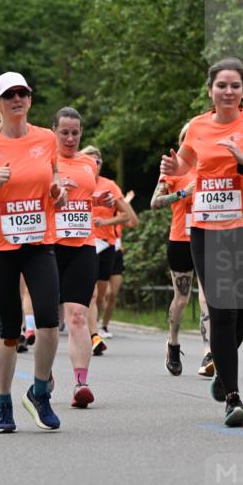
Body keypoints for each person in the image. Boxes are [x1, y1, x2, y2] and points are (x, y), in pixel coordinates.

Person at [160, 57, 243, 426]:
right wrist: (173, 169)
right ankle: (233, 396)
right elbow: (184, 165)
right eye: (222, 86)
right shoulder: (197, 127)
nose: (228, 92)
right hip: (206, 228)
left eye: (235, 86)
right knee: (221, 312)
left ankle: (222, 369)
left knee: (239, 312)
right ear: (210, 89)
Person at [0, 71, 67, 433]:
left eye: (23, 93)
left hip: (39, 242)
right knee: (9, 331)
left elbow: (52, 180)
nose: (17, 99)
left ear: (30, 99)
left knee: (50, 321)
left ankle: (39, 392)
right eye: (9, 95)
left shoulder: (46, 139)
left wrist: (58, 192)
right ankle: (3, 402)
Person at [53, 107, 114, 407]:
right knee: (48, 321)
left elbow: (83, 196)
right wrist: (54, 190)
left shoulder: (88, 163)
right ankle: (44, 374)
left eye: (75, 132)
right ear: (54, 131)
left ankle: (81, 383)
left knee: (77, 314)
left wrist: (98, 199)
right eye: (64, 132)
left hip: (82, 245)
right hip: (48, 247)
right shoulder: (43, 162)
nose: (70, 138)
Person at [151, 125, 213, 377]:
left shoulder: (211, 167)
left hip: (208, 237)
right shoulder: (173, 170)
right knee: (183, 297)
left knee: (208, 297)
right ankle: (173, 343)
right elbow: (155, 203)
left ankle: (210, 352)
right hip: (180, 240)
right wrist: (182, 193)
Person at [82, 146, 136, 356]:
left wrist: (106, 220)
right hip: (83, 243)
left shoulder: (109, 186)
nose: (94, 165)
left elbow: (129, 218)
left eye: (98, 162)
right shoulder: (75, 181)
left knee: (102, 294)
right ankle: (92, 334)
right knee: (91, 293)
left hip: (106, 244)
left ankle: (92, 326)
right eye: (90, 160)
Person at [100, 190, 137, 340]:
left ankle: (104, 325)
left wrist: (126, 205)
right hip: (101, 249)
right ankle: (93, 322)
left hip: (116, 254)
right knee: (105, 293)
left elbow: (134, 222)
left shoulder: (119, 216)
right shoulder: (102, 212)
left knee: (113, 294)